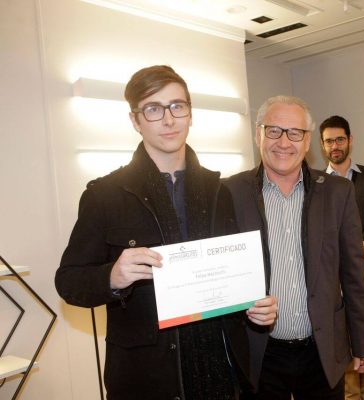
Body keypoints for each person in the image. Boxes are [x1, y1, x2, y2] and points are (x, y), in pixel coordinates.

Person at [55, 65, 277, 400]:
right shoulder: (106, 195)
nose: (169, 119)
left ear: (190, 114)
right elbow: (68, 281)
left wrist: (256, 306)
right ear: (135, 120)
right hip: (147, 376)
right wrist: (112, 276)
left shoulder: (220, 190)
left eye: (177, 106)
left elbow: (236, 273)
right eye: (153, 109)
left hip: (223, 370)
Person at [224, 95, 364, 400]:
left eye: (295, 133)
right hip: (260, 354)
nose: (284, 142)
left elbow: (353, 275)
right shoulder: (229, 192)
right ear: (258, 134)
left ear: (308, 142)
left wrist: (363, 342)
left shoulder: (338, 192)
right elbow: (221, 273)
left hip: (321, 352)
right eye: (274, 130)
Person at [320, 115, 364, 400]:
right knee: (341, 340)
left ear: (350, 140)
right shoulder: (317, 183)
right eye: (328, 141)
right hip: (331, 275)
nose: (335, 146)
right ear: (322, 146)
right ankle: (349, 395)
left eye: (340, 139)